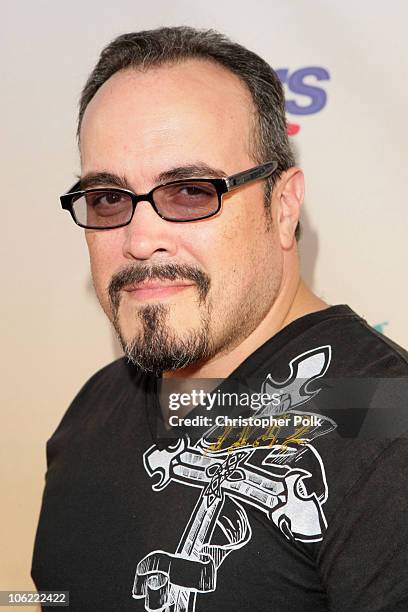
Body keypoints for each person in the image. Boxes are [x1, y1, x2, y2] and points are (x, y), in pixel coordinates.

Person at [32, 27, 408, 611]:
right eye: (108, 197)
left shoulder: (388, 426)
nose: (140, 239)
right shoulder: (92, 411)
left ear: (283, 208)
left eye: (190, 192)